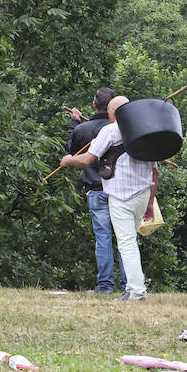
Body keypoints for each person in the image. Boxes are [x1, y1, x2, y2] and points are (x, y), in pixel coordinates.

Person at [57, 96, 158, 301]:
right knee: (130, 242)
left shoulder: (111, 131)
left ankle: (136, 292)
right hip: (142, 194)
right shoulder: (143, 129)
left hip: (121, 196)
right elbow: (155, 173)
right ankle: (132, 288)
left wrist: (68, 160)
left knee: (126, 243)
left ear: (113, 114)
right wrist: (149, 204)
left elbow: (88, 159)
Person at [66, 87, 123, 294]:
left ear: (93, 105)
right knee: (124, 238)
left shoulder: (83, 130)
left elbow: (72, 149)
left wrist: (75, 123)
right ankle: (128, 285)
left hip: (96, 189)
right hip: (118, 188)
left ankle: (105, 286)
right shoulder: (122, 128)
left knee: (103, 237)